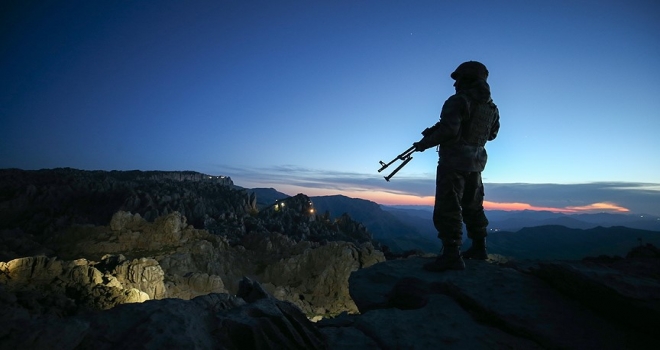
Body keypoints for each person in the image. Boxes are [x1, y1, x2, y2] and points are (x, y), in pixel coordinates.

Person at [414, 61, 500, 272]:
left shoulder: (458, 101)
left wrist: (424, 143)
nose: (455, 84)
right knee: (473, 205)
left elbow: (449, 131)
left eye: (458, 78)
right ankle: (480, 248)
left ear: (467, 78)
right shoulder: (491, 107)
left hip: (453, 162)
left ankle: (451, 255)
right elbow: (492, 134)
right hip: (477, 163)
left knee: (448, 206)